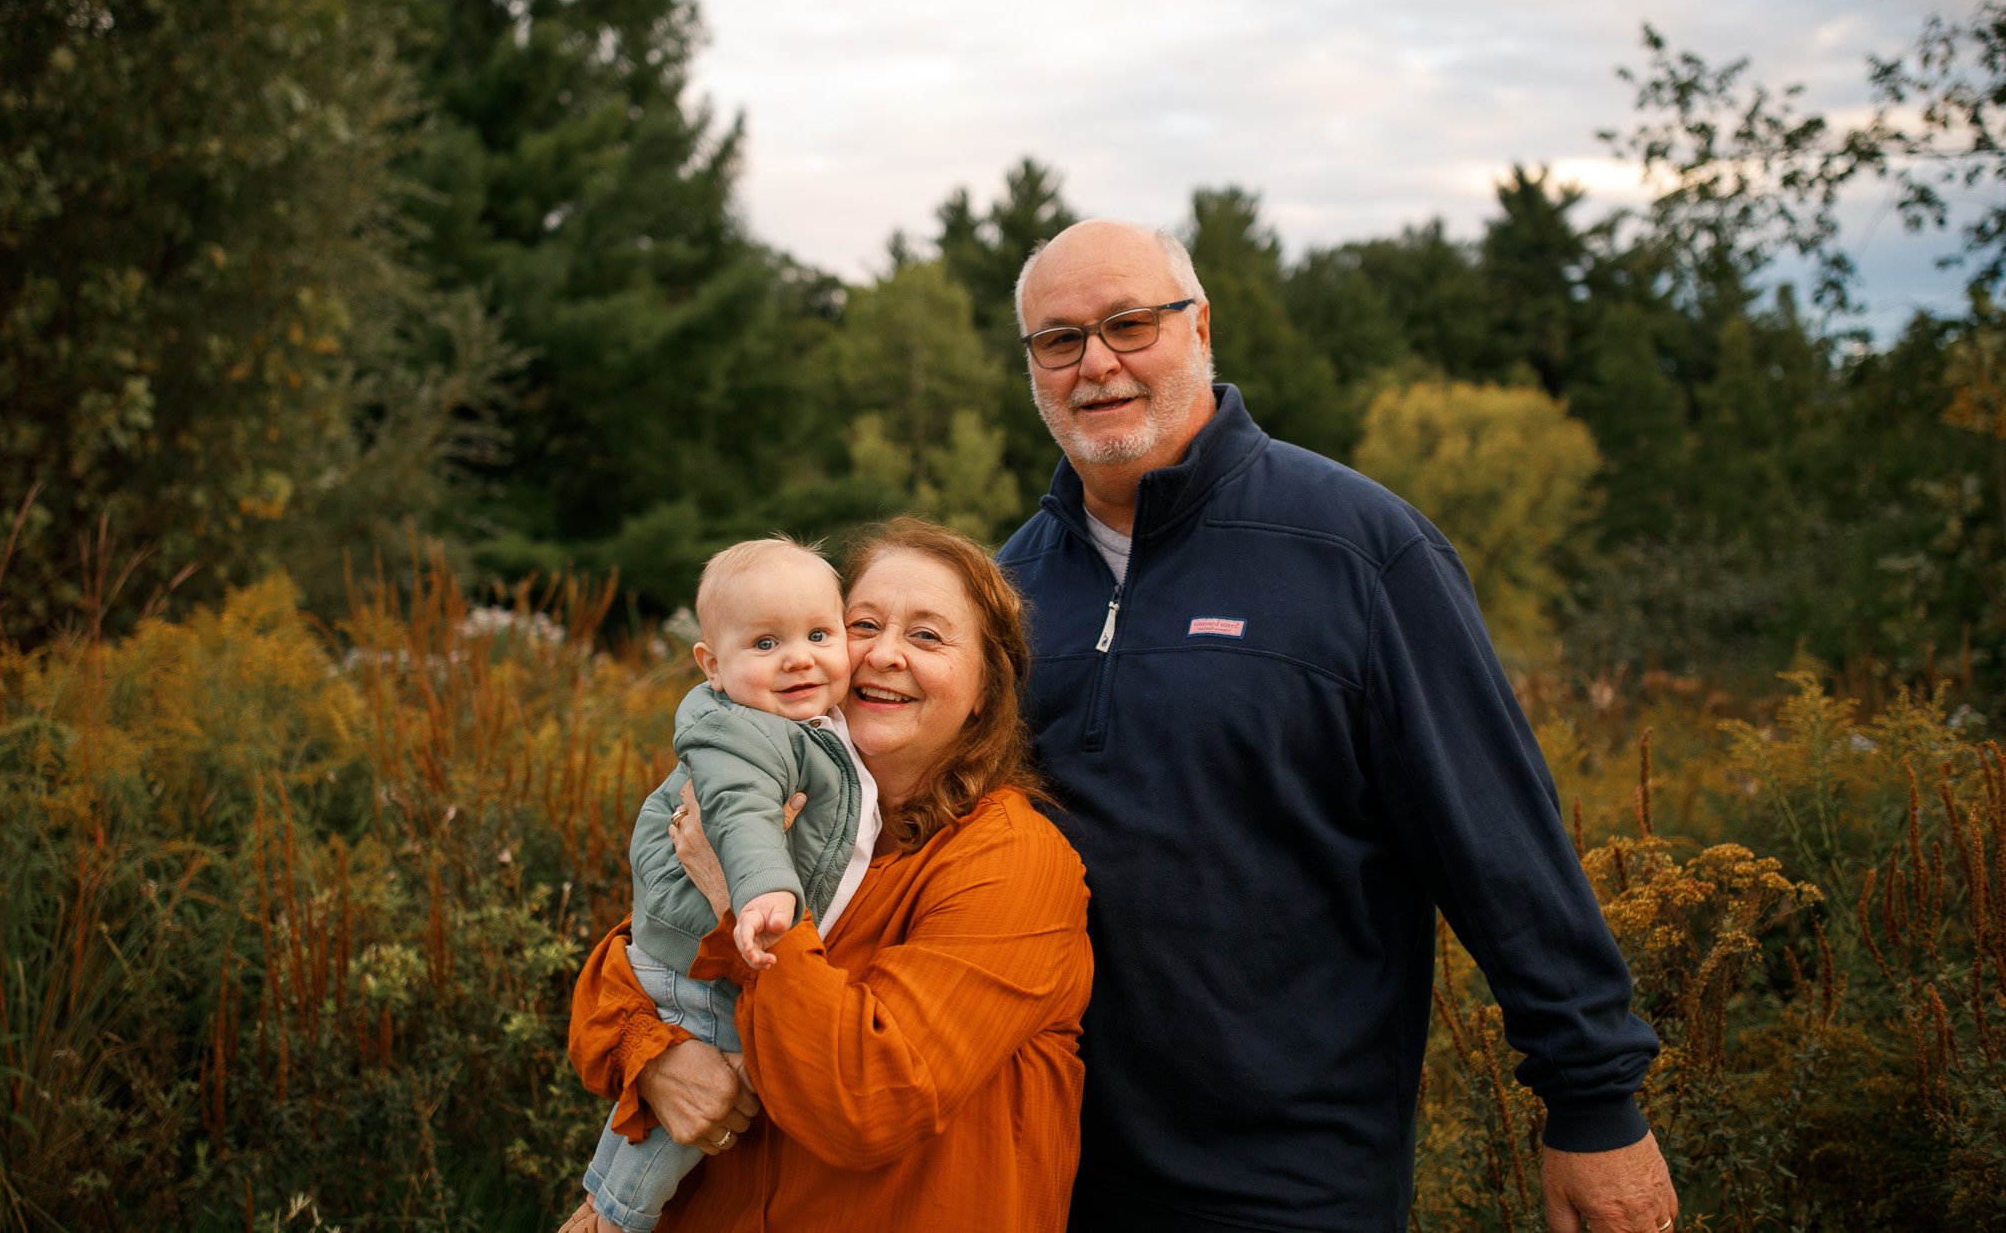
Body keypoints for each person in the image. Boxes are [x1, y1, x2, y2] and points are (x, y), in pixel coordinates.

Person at [994, 219, 1680, 1233]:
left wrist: (1593, 1099)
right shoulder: (1006, 587)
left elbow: (1493, 835)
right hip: (1046, 1169)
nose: (1095, 363)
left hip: (1294, 1180)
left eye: (1128, 325)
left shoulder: (1354, 550)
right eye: (1059, 340)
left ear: (1199, 329)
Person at [560, 518, 1093, 1233]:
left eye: (928, 636)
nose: (884, 654)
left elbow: (867, 1100)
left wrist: (735, 895)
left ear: (984, 690)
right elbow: (625, 968)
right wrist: (653, 1058)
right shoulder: (790, 806)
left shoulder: (1011, 860)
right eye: (861, 624)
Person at [577, 537, 883, 1231]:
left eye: (818, 633)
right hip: (708, 952)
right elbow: (742, 812)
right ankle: (614, 1214)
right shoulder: (745, 733)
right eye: (766, 642)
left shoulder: (813, 723)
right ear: (713, 666)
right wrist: (764, 890)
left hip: (705, 943)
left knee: (708, 1076)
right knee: (711, 1083)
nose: (800, 656)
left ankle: (604, 1200)